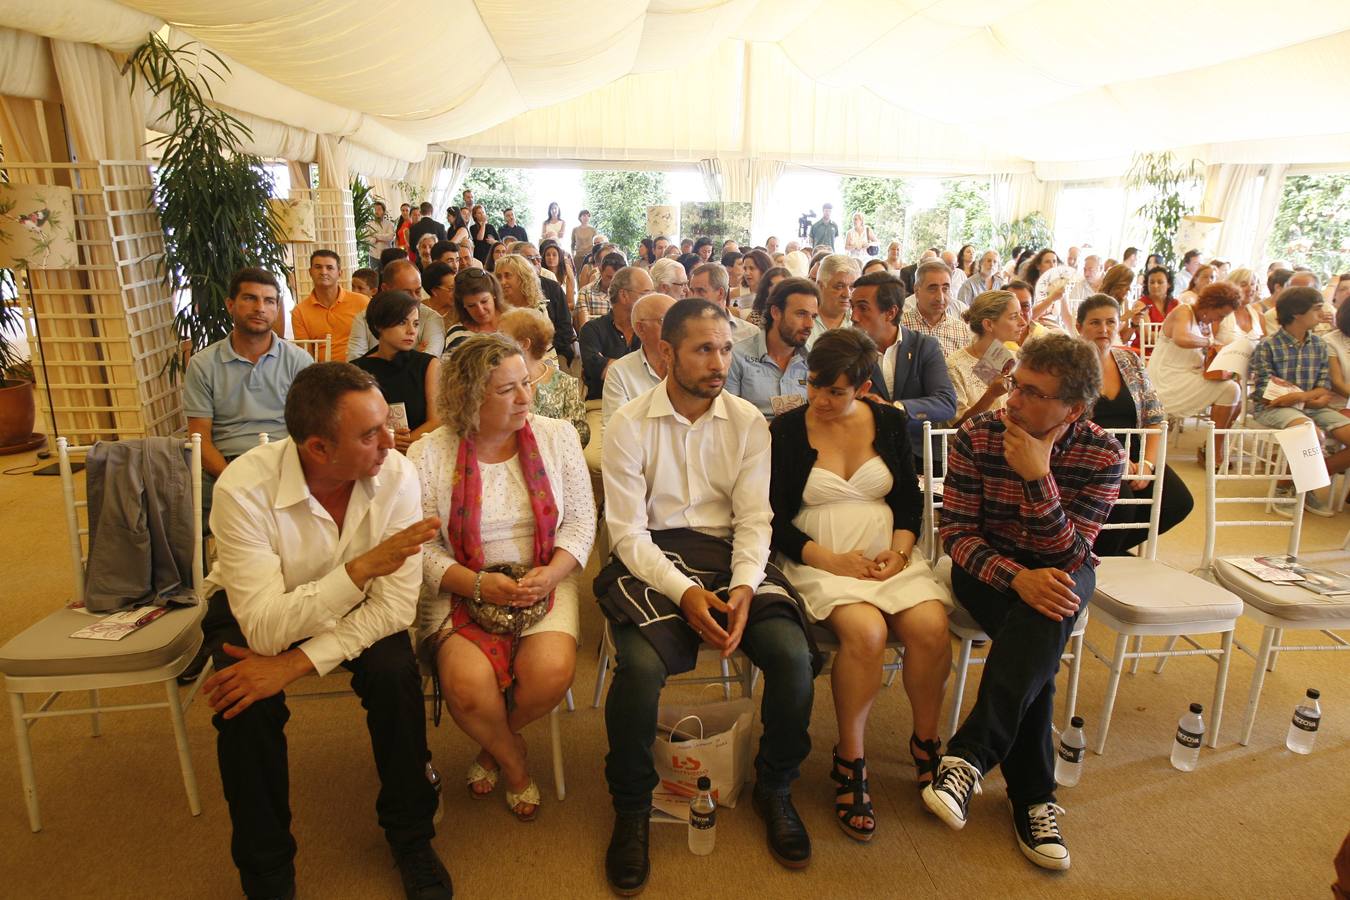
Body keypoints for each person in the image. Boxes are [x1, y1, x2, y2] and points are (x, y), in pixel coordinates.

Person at [200, 362, 453, 900]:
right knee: (243, 702)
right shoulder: (244, 489)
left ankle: (411, 835)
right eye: (370, 434)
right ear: (318, 449)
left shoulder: (396, 475)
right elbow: (265, 630)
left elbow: (395, 610)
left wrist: (293, 664)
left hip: (358, 607)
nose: (392, 441)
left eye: (387, 422)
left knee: (394, 675)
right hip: (257, 605)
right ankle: (267, 873)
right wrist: (360, 569)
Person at [596, 298, 819, 893]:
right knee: (639, 671)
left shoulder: (747, 421)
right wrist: (687, 593)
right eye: (702, 349)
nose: (718, 362)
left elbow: (754, 521)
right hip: (654, 559)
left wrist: (744, 587)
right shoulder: (627, 424)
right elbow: (626, 534)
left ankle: (775, 785)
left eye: (724, 348)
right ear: (665, 352)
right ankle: (632, 806)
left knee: (794, 657)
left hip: (730, 556)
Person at [925, 334, 1124, 872]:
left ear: (1073, 409)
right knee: (1041, 616)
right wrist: (1016, 578)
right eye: (1017, 384)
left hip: (1064, 565)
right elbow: (959, 534)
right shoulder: (978, 434)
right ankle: (1035, 799)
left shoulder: (1102, 453)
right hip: (986, 568)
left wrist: (1039, 477)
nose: (1012, 399)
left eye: (1033, 393)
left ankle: (969, 758)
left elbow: (1072, 551)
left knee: (1046, 607)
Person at [768, 329, 952, 841]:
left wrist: (899, 550)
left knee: (931, 626)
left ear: (864, 387)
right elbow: (774, 518)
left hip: (885, 553)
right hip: (818, 556)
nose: (821, 400)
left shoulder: (890, 421)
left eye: (836, 392)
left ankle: (926, 741)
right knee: (867, 634)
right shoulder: (785, 430)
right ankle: (850, 757)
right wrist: (831, 560)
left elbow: (910, 502)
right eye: (814, 386)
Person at [411, 334, 594, 824]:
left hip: (542, 575)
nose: (525, 398)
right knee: (466, 685)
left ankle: (492, 742)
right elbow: (422, 546)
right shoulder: (429, 454)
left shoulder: (556, 437)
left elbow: (580, 522)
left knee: (550, 673)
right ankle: (513, 761)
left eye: (525, 383)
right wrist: (473, 584)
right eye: (507, 390)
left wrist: (552, 573)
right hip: (461, 582)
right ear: (470, 396)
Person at [185, 267, 313, 521]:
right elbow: (200, 437)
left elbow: (311, 429)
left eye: (268, 301)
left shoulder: (298, 361)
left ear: (277, 309)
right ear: (231, 304)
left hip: (285, 462)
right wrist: (233, 478)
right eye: (250, 298)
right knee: (182, 518)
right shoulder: (203, 364)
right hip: (225, 466)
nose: (260, 308)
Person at [1075, 294, 1193, 554]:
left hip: (1135, 449)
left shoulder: (1130, 361)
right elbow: (1065, 421)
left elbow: (1154, 416)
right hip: (1090, 452)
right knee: (1123, 502)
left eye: (1110, 322)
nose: (1104, 329)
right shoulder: (1068, 365)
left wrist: (1148, 464)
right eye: (1094, 323)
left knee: (1178, 501)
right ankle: (1098, 554)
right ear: (1079, 327)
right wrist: (1116, 456)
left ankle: (1109, 549)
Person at [849, 271, 957, 464]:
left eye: (863, 308)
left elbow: (946, 404)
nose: (854, 316)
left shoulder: (924, 346)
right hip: (865, 455)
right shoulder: (847, 349)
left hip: (919, 457)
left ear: (890, 312)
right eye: (852, 307)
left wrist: (896, 408)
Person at [1251, 286, 1350, 495]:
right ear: (1296, 313)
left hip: (1310, 407)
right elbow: (1267, 393)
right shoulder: (1268, 345)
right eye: (1316, 309)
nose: (1321, 314)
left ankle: (1296, 483)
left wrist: (1301, 398)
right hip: (1271, 409)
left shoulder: (1319, 345)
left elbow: (1324, 387)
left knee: (1312, 428)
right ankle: (1289, 488)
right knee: (1311, 433)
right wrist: (1309, 397)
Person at [1146, 281, 1242, 466]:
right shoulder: (1184, 311)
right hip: (1168, 379)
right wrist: (1210, 344)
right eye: (1220, 315)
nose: (1219, 320)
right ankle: (1213, 452)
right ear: (1211, 304)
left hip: (1188, 376)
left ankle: (1212, 446)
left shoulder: (1205, 322)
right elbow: (1181, 338)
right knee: (1231, 390)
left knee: (1236, 397)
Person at [352, 290, 441, 454]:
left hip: (420, 452)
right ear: (379, 325)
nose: (411, 331)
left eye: (415, 324)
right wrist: (386, 441)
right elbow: (352, 424)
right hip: (372, 453)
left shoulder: (428, 364)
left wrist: (400, 444)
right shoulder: (356, 370)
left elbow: (436, 420)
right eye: (402, 322)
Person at [726, 276, 818, 418]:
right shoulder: (737, 357)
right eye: (801, 314)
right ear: (775, 312)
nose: (809, 324)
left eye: (813, 316)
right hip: (753, 436)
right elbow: (730, 417)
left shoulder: (815, 362)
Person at [498, 308, 589, 446]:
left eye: (502, 336)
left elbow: (581, 436)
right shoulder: (495, 381)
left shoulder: (565, 383)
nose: (494, 341)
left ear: (524, 344)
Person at [947, 291, 1024, 426]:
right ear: (988, 324)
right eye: (1013, 317)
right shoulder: (955, 366)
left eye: (1021, 315)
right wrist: (991, 395)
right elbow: (957, 426)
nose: (1023, 322)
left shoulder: (1015, 358)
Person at [345, 259, 446, 361]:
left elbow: (429, 361)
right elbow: (355, 365)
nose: (414, 298)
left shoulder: (431, 318)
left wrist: (375, 359)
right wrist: (414, 355)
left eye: (418, 291)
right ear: (385, 289)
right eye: (406, 293)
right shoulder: (363, 319)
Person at [601, 292, 676, 428]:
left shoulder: (691, 366)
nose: (677, 329)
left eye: (679, 321)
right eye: (665, 321)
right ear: (641, 328)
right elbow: (616, 429)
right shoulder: (620, 372)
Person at [579, 266, 651, 401]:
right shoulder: (592, 330)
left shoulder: (651, 329)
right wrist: (643, 370)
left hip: (645, 403)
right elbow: (596, 370)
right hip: (601, 405)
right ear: (624, 295)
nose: (651, 299)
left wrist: (610, 364)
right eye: (646, 293)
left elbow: (661, 369)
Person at [292, 250, 369, 357]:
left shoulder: (362, 302)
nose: (324, 272)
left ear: (339, 273)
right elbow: (305, 355)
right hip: (322, 371)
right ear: (310, 272)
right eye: (318, 267)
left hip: (359, 369)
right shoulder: (299, 312)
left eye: (329, 268)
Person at [901, 260, 969, 357]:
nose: (940, 298)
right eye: (932, 289)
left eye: (945, 289)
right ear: (916, 291)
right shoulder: (899, 327)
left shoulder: (962, 331)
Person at [690, 262, 759, 342]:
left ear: (720, 293)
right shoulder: (684, 331)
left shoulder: (751, 334)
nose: (693, 297)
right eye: (692, 291)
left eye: (701, 291)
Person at [1120, 266, 1179, 350]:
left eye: (1160, 282)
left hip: (1169, 351)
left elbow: (1183, 331)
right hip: (1144, 352)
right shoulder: (1141, 304)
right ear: (1147, 285)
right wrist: (1175, 336)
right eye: (1151, 282)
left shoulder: (1176, 304)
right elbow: (1147, 337)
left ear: (1169, 284)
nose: (1155, 285)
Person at [808, 254, 859, 348]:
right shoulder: (804, 321)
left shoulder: (860, 321)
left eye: (852, 287)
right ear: (820, 286)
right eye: (839, 287)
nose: (847, 294)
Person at [1217, 267, 1266, 342]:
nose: (1250, 289)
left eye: (1252, 284)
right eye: (1243, 285)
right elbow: (1209, 346)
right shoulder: (1218, 314)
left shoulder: (1260, 317)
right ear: (1230, 287)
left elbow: (1264, 348)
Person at [579, 251, 625, 319]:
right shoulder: (586, 293)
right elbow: (583, 326)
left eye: (618, 278)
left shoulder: (629, 293)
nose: (613, 282)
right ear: (600, 271)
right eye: (609, 277)